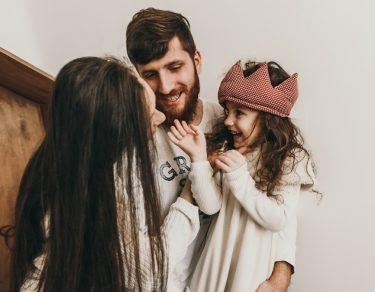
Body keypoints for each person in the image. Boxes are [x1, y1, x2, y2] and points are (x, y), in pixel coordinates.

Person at [126, 8, 296, 291]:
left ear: (197, 60)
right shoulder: (132, 142)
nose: (166, 86)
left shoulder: (230, 122)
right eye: (151, 74)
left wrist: (281, 274)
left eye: (174, 67)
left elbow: (281, 197)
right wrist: (198, 171)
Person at [3, 57, 200, 292]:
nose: (160, 117)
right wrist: (188, 196)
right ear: (117, 137)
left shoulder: (67, 161)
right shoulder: (94, 199)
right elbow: (149, 271)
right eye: (149, 115)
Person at [168, 60, 317, 291]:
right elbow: (211, 207)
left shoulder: (288, 159)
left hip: (250, 274)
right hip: (212, 268)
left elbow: (278, 220)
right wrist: (199, 159)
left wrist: (240, 178)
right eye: (228, 111)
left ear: (269, 120)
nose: (227, 120)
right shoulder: (229, 150)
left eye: (240, 113)